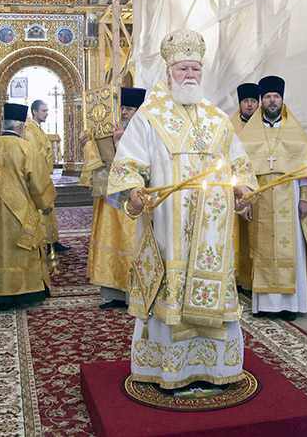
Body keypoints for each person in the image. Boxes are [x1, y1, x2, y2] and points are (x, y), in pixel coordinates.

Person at [108, 29, 257, 389]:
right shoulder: (150, 117)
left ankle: (217, 368)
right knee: (169, 295)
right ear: (169, 72)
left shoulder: (216, 118)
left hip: (211, 234)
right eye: (183, 69)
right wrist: (134, 191)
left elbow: (238, 162)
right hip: (166, 228)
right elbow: (128, 164)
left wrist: (242, 186)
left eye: (195, 68)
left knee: (211, 292)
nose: (190, 75)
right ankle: (169, 369)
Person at [238, 75, 307, 320]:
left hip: (290, 197)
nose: (272, 101)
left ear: (282, 100)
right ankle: (265, 306)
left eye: (276, 97)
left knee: (291, 250)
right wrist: (245, 202)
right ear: (262, 101)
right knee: (262, 249)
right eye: (267, 97)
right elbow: (242, 170)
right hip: (261, 199)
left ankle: (291, 306)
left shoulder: (296, 133)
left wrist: (304, 198)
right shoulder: (249, 135)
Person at [0, 103, 58, 308]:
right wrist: (45, 204)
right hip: (22, 212)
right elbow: (37, 182)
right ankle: (27, 293)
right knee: (22, 250)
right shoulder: (26, 148)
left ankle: (0, 294)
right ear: (20, 127)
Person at [85, 86, 146, 309]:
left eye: (129, 109)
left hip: (133, 201)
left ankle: (135, 294)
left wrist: (120, 142)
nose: (124, 112)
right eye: (122, 108)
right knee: (113, 243)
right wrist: (89, 144)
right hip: (112, 200)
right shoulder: (113, 129)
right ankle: (117, 294)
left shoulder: (145, 132)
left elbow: (137, 165)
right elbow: (101, 162)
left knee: (131, 246)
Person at [24, 99, 69, 254]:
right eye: (44, 111)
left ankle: (53, 241)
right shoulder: (29, 130)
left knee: (49, 209)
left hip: (44, 175)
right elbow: (36, 154)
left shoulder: (38, 129)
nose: (47, 113)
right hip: (37, 174)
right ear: (34, 112)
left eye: (47, 111)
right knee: (42, 210)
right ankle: (45, 244)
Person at [229, 82, 260, 293]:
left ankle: (253, 280)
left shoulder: (265, 127)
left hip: (260, 190)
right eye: (245, 101)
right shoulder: (230, 126)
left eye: (253, 101)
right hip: (236, 192)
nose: (249, 105)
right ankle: (237, 280)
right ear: (239, 103)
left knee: (255, 237)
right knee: (237, 237)